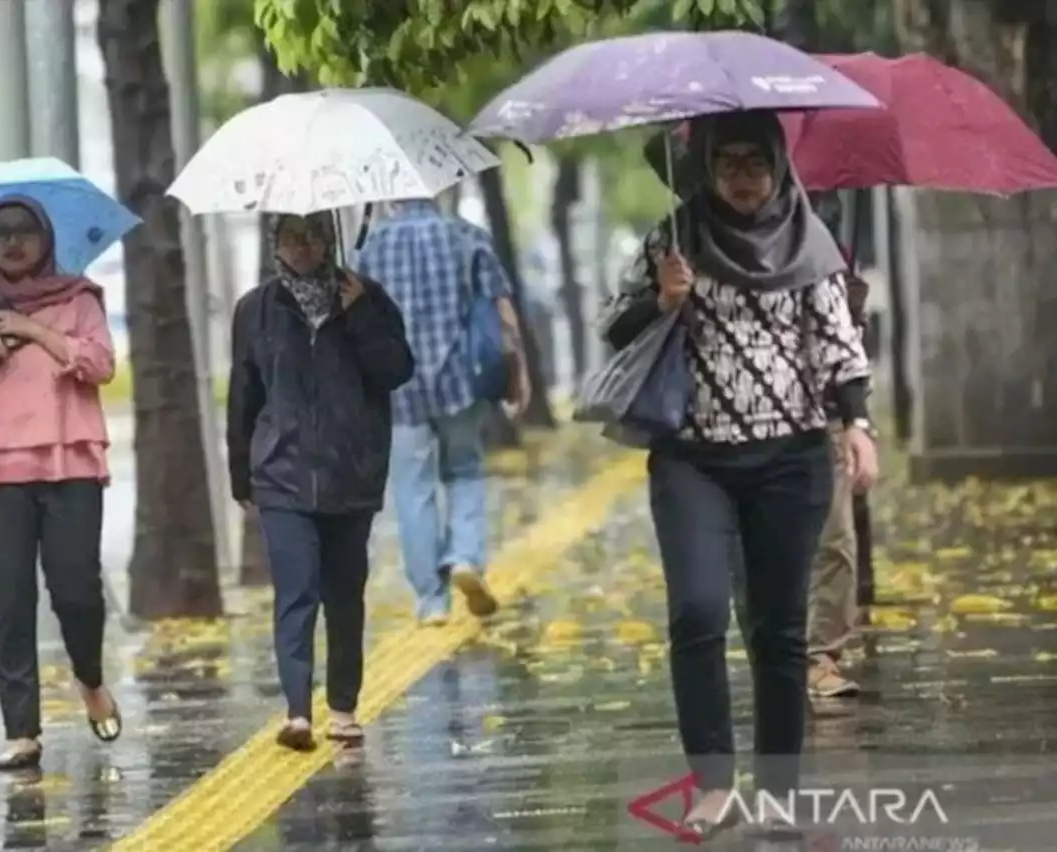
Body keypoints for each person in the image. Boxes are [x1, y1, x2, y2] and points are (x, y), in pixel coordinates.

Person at [599, 111, 878, 836]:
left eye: (757, 163)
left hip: (788, 460)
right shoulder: (676, 236)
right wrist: (660, 299)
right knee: (696, 612)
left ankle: (780, 788)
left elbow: (837, 344)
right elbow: (613, 326)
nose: (744, 178)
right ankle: (714, 783)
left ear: (778, 165)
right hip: (694, 460)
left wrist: (858, 428)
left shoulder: (808, 237)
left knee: (778, 630)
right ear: (707, 168)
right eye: (728, 164)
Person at [0, 195, 122, 772]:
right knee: (9, 599)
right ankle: (22, 729)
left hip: (69, 462)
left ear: (45, 238)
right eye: (1, 234)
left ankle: (90, 678)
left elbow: (101, 365)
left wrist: (33, 330)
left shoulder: (80, 298)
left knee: (76, 592)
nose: (13, 242)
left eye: (25, 231)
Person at [227, 211, 414, 751]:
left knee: (344, 594)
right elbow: (244, 395)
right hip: (281, 473)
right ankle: (296, 712)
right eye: (292, 237)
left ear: (331, 238)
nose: (305, 246)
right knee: (295, 590)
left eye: (315, 235)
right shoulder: (255, 309)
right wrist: (242, 471)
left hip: (350, 472)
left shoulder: (367, 297)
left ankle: (344, 707)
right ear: (275, 243)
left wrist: (360, 317)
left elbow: (396, 371)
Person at [356, 199, 530, 626]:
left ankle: (432, 601)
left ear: (392, 194)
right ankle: (465, 556)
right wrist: (520, 370)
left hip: (398, 389)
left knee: (412, 489)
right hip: (460, 380)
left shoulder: (370, 247)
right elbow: (501, 308)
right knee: (465, 471)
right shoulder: (466, 235)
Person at [805, 266, 874, 698]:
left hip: (822, 419)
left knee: (836, 540)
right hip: (745, 431)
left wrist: (856, 422)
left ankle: (821, 657)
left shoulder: (818, 252)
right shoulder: (702, 246)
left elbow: (846, 355)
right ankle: (779, 654)